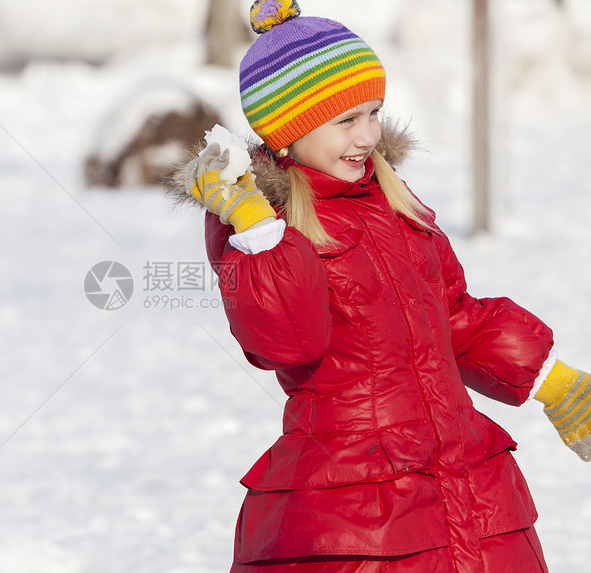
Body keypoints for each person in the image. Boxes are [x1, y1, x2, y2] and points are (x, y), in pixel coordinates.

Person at [173, 1, 590, 571]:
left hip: (463, 482)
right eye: (346, 121)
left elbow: (455, 317)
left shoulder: (394, 206)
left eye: (374, 112)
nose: (368, 135)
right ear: (286, 132)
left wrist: (554, 381)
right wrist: (255, 225)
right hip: (355, 511)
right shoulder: (266, 226)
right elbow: (287, 340)